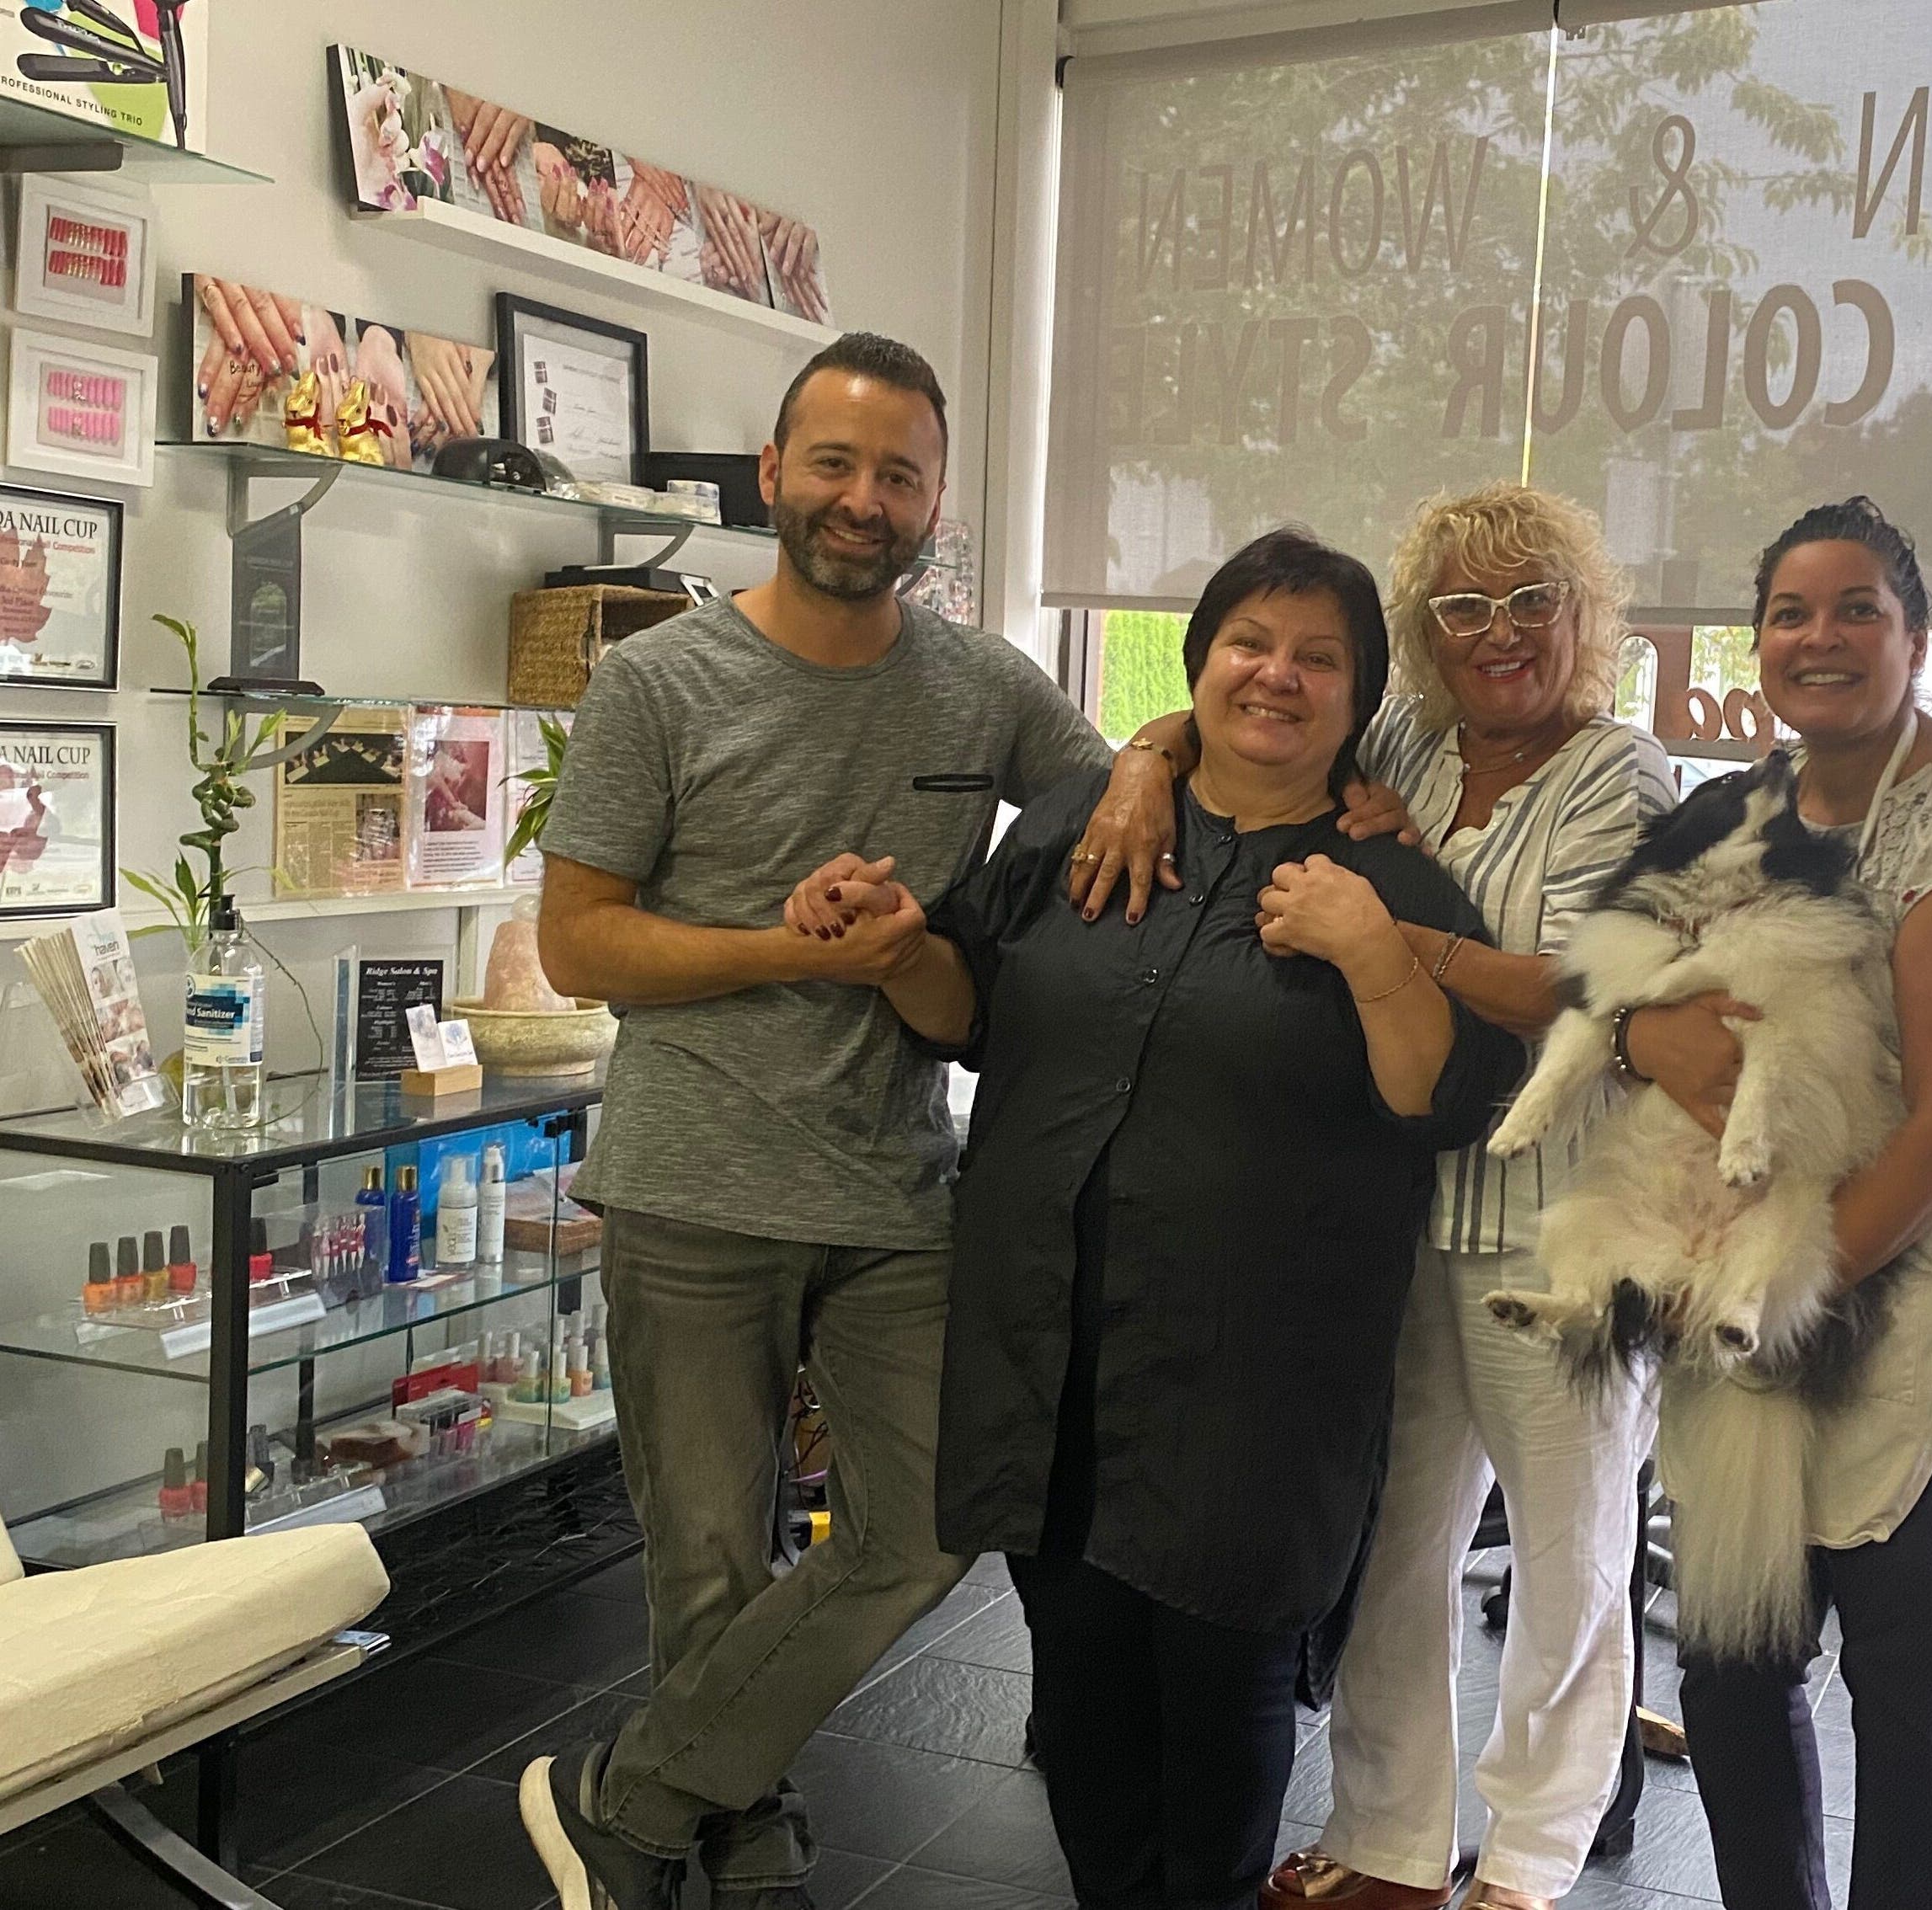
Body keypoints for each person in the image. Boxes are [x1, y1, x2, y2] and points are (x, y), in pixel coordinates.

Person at [516, 332, 1179, 1910]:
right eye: (835, 463)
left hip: (896, 1184)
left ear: (938, 502)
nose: (863, 500)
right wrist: (788, 947)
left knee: (938, 1514)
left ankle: (635, 1791)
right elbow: (579, 944)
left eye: (900, 476)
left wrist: (1151, 752)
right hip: (693, 1187)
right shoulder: (656, 682)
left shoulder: (981, 682)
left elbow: (1124, 796)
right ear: (774, 473)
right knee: (705, 1555)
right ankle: (736, 1827)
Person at [794, 527, 1529, 1910]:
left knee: (1219, 1709)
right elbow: (972, 1008)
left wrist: (1372, 952)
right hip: (1050, 1350)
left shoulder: (1394, 885)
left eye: (1321, 658)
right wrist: (895, 947)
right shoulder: (1084, 820)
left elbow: (1435, 1096)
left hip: (1253, 1386)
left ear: (1357, 697)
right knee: (1078, 1706)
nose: (1277, 676)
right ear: (1198, 661)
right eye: (1251, 642)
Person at [1620, 498, 1932, 1909]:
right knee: (1733, 1648)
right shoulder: (1753, 808)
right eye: (1789, 612)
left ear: (1917, 639)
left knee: (1903, 1653)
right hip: (1763, 1255)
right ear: (1757, 639)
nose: (1818, 637)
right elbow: (1636, 986)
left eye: (1856, 611)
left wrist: (1789, 1289)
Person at [1243, 483, 1677, 1910]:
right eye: (1464, 608)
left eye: (1531, 602)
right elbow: (1250, 719)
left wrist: (1394, 929)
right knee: (1398, 1546)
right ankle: (1388, 1841)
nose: (1500, 636)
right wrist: (1137, 764)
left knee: (1569, 1560)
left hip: (1566, 1231)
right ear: (1424, 632)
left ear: (1582, 614)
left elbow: (1575, 986)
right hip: (1401, 1209)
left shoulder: (1623, 772)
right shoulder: (1409, 745)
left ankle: (1536, 1862)